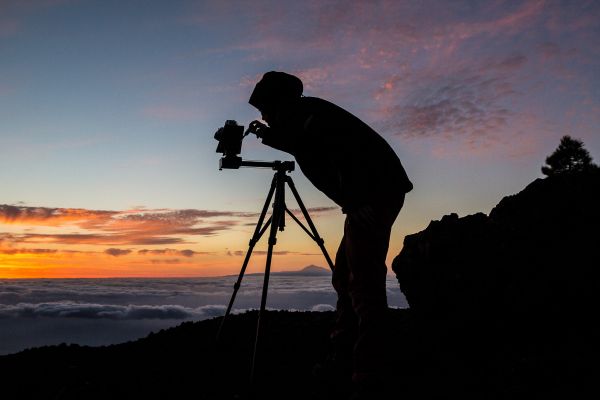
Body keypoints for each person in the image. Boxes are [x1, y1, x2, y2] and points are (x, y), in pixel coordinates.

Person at [247, 71, 412, 393]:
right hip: (373, 194)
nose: (263, 116)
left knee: (363, 282)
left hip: (374, 195)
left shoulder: (313, 116)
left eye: (264, 109)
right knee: (346, 276)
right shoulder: (307, 114)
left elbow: (348, 151)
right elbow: (300, 143)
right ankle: (347, 356)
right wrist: (264, 134)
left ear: (279, 102)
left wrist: (357, 199)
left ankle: (369, 370)